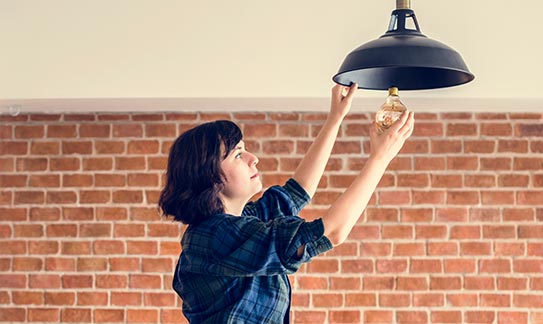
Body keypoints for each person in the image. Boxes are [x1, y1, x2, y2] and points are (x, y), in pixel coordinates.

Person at [158, 83, 415, 323]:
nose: (253, 158)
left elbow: (298, 190)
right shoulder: (213, 236)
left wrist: (335, 118)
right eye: (238, 154)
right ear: (211, 176)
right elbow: (332, 231)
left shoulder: (245, 220)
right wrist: (380, 159)